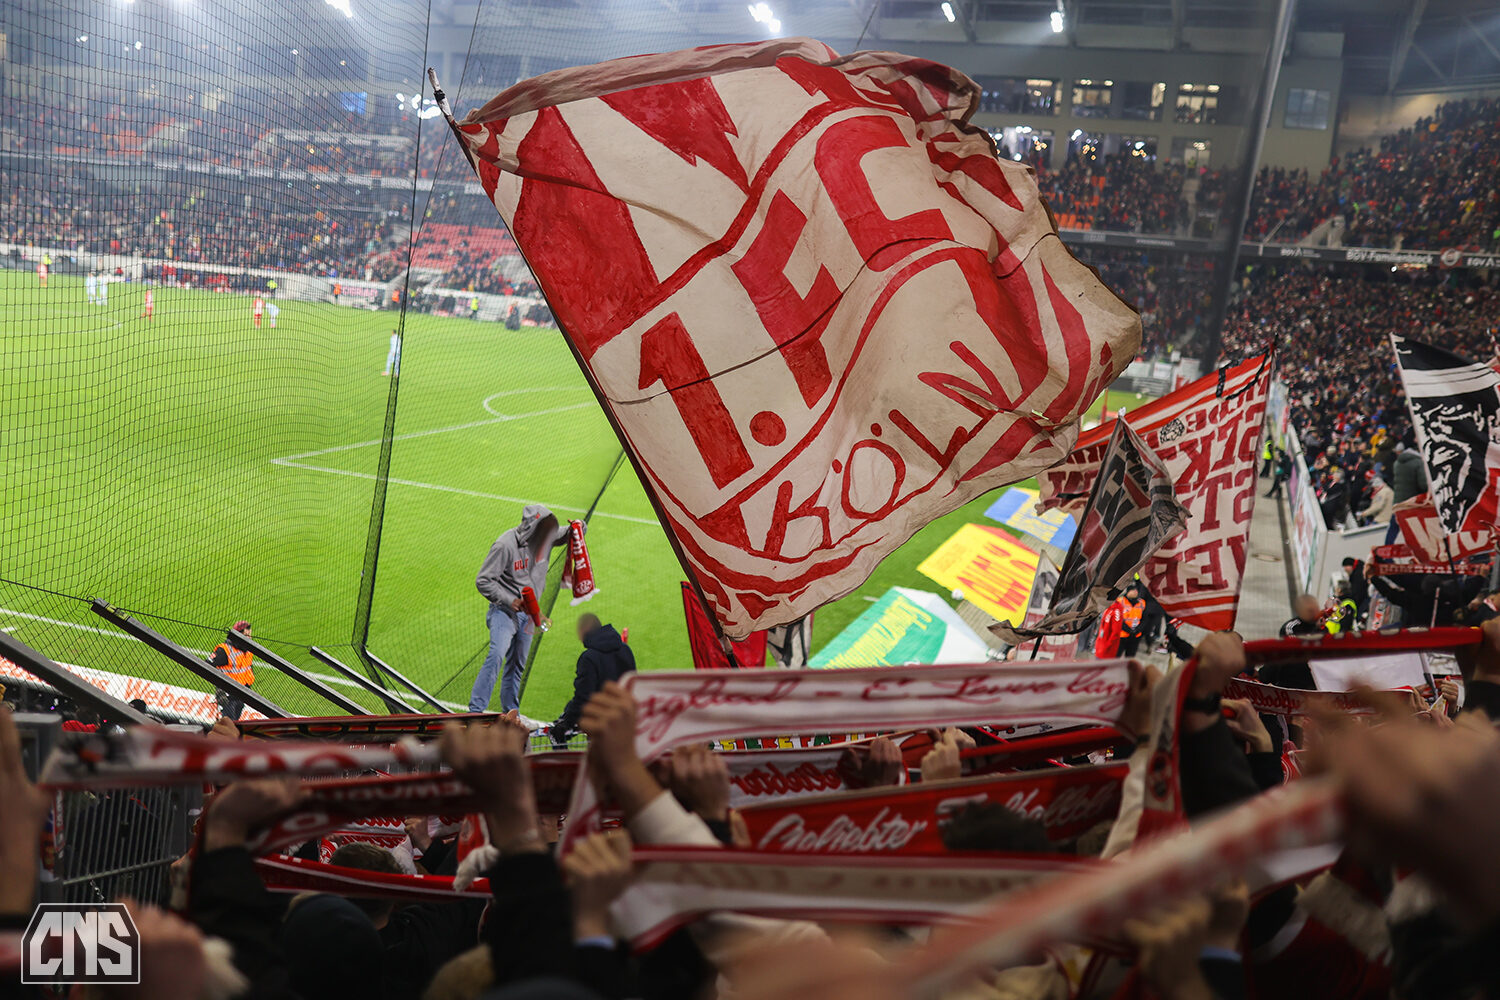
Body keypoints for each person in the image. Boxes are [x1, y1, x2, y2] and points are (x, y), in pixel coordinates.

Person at [470, 505, 574, 713]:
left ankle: (511, 711)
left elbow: (566, 534)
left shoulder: (544, 539)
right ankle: (475, 711)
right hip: (505, 613)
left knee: (517, 665)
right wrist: (511, 601)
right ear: (531, 528)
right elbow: (483, 581)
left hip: (530, 616)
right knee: (497, 653)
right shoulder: (504, 545)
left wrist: (579, 528)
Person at [550, 613, 635, 745]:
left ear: (584, 631)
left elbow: (584, 696)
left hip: (602, 728)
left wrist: (567, 723)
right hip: (627, 723)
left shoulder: (589, 658)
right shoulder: (626, 650)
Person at [207, 621, 255, 720]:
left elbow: (248, 669)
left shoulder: (248, 650)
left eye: (249, 636)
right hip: (228, 696)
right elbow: (207, 665)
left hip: (242, 694)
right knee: (229, 726)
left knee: (234, 725)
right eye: (246, 636)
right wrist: (219, 689)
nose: (249, 638)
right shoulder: (224, 651)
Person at [1393, 430, 1428, 503]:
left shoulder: (1397, 463)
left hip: (1398, 502)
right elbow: (1424, 485)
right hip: (1412, 502)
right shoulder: (1418, 462)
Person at [1118, 583, 1147, 657]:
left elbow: (1145, 619)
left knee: (1130, 659)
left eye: (1136, 590)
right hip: (1122, 635)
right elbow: (1118, 619)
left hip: (1135, 636)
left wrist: (1137, 630)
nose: (1135, 591)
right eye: (1133, 590)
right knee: (1116, 657)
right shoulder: (1120, 602)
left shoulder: (1142, 603)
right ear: (1128, 592)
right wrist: (1129, 630)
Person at [1094, 593, 1126, 659]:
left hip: (1106, 651)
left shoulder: (1117, 610)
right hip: (1100, 646)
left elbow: (1116, 633)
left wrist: (1106, 645)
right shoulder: (1108, 607)